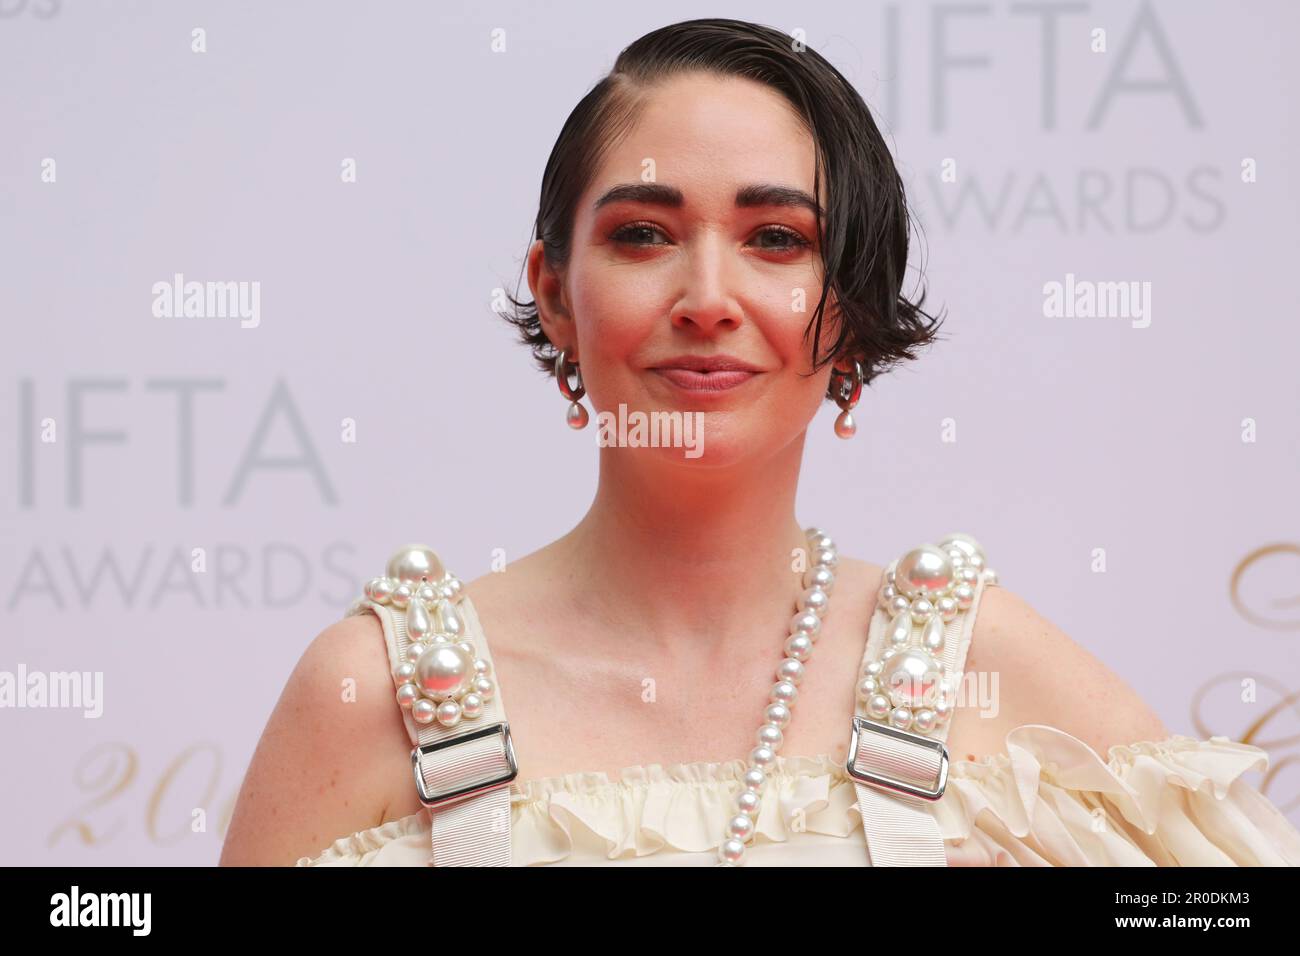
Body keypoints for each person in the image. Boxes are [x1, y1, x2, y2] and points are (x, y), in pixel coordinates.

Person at [220, 18, 1300, 867]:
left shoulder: (979, 663)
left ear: (852, 306)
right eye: (642, 233)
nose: (706, 296)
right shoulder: (377, 689)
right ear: (554, 292)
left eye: (775, 239)